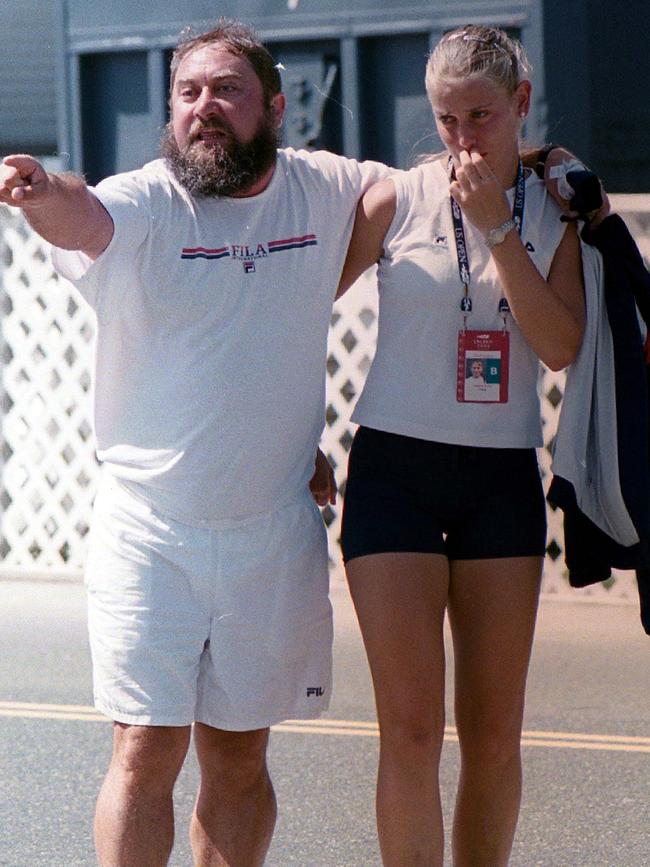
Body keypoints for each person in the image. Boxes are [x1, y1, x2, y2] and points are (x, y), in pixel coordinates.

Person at [0, 20, 391, 867]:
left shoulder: (321, 187)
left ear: (275, 108)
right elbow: (83, 213)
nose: (203, 109)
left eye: (225, 91)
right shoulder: (146, 200)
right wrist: (39, 189)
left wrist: (511, 163)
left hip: (273, 530)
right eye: (187, 93)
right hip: (150, 533)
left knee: (241, 758)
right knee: (144, 750)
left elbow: (405, 198)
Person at [337, 25, 585, 867]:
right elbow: (289, 318)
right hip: (393, 472)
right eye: (446, 119)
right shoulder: (395, 200)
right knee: (409, 731)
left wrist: (500, 229)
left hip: (499, 480)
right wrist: (295, 435)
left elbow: (558, 345)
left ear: (521, 103)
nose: (462, 138)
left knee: (493, 737)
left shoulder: (558, 210)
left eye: (480, 115)